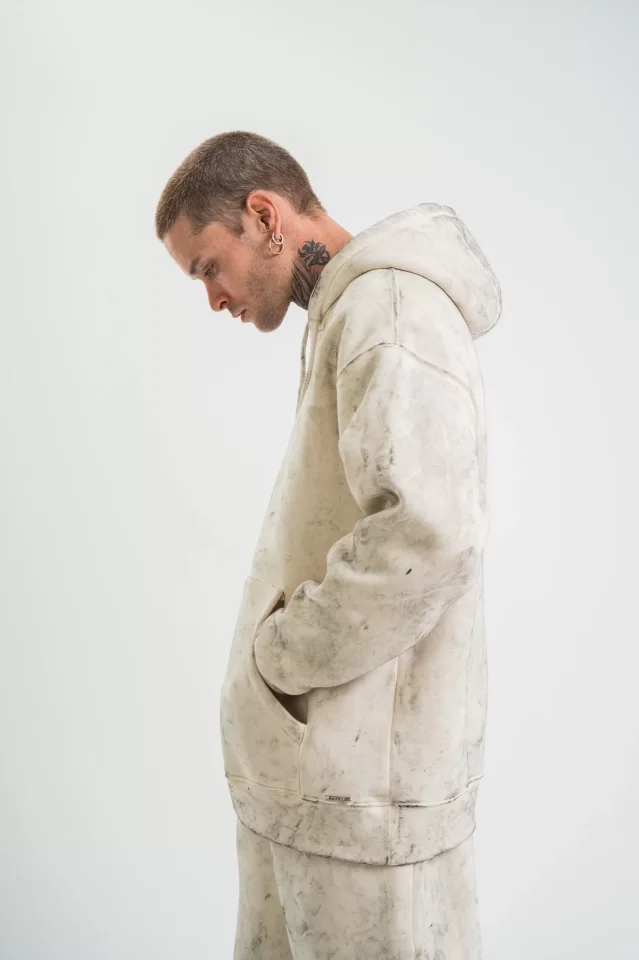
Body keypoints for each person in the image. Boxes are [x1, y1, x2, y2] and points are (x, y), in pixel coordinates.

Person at [155, 130, 502, 960]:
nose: (213, 299)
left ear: (264, 216)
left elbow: (428, 530)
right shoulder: (353, 311)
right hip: (333, 791)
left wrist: (281, 659)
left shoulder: (389, 309)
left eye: (208, 267)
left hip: (364, 800)